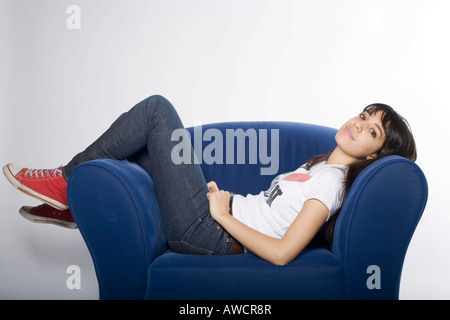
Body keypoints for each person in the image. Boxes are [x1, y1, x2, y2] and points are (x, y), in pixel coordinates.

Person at [3, 95, 416, 265]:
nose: (359, 126)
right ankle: (78, 203)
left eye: (373, 131)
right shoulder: (319, 167)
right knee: (148, 147)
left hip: (210, 233)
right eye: (364, 116)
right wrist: (228, 199)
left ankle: (66, 182)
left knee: (156, 111)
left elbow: (283, 253)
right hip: (215, 216)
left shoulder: (332, 184)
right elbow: (269, 211)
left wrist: (222, 214)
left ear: (376, 153)